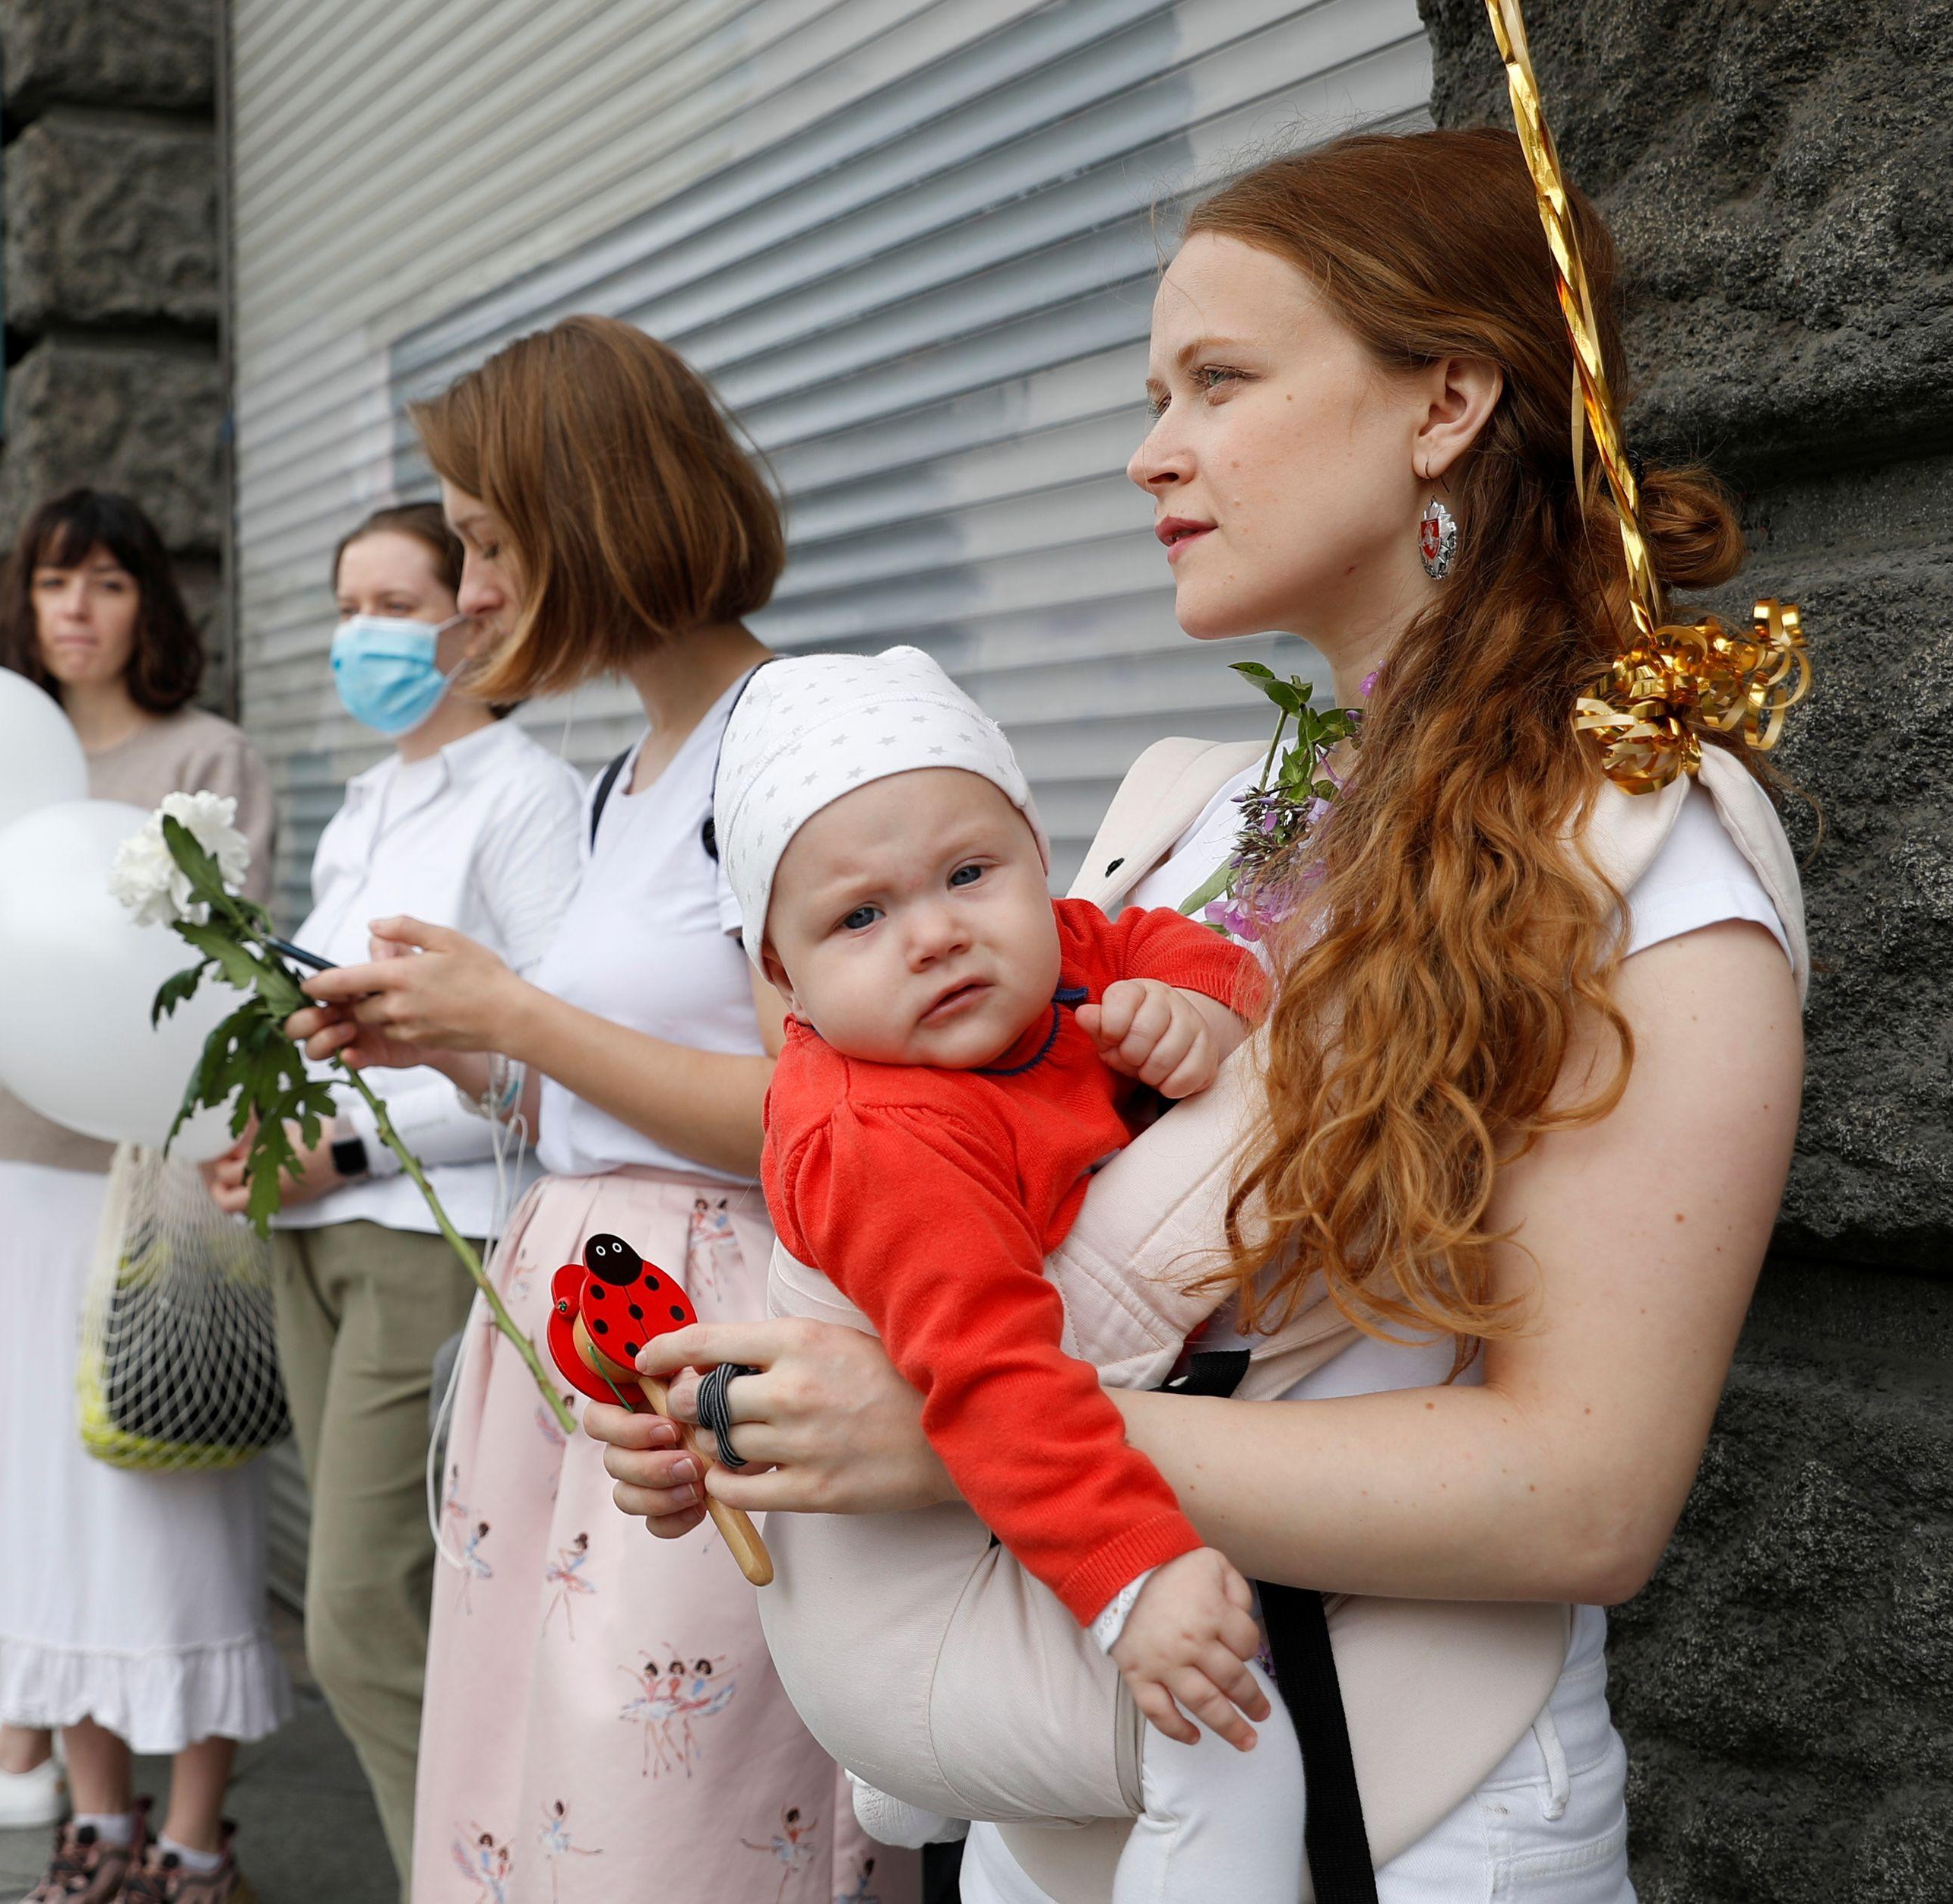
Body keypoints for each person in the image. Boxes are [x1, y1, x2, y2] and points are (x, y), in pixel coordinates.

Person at [590, 128, 1807, 1903]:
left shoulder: (1643, 843)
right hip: (1055, 1785)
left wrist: (941, 1429)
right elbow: (1001, 1219)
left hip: (1398, 1812)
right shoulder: (1197, 808)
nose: (1151, 451)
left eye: (1218, 381)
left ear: (1446, 397)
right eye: (1154, 391)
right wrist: (763, 1400)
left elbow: (1587, 1492)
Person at [286, 317, 910, 1903]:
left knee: (676, 1812)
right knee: (547, 1782)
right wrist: (454, 1045)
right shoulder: (632, 767)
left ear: (590, 514)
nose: (471, 589)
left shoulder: (793, 742)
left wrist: (516, 1012)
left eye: (487, 541)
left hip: (704, 1346)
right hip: (592, 1338)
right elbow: (608, 1093)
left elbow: (819, 1115)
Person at [717, 645, 1306, 1898]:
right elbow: (995, 1381)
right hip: (900, 1586)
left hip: (951, 1505)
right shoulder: (889, 1139)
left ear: (1038, 860)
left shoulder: (1059, 958)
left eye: (970, 873)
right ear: (786, 980)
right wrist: (1136, 1581)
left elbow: (1167, 939)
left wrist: (1195, 1005)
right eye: (858, 917)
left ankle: (927, 1795)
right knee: (1235, 1736)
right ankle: (927, 1771)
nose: (936, 934)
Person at [0, 490, 288, 1904]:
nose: (77, 608)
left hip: (156, 1159)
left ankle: (195, 1835)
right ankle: (93, 1818)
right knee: (32, 1493)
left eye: (109, 581)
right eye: (55, 582)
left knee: (168, 1484)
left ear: (149, 608)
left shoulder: (210, 755)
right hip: (5, 1159)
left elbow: (228, 966)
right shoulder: (4, 768)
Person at [201, 501, 583, 1879]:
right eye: (344, 605)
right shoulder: (365, 803)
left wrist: (349, 1150)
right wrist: (270, 1131)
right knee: (383, 1617)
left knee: (363, 1618)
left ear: (477, 609)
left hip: (429, 1237)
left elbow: (550, 1063)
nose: (361, 636)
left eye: (392, 603)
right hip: (314, 1234)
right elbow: (336, 1029)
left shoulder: (525, 798)